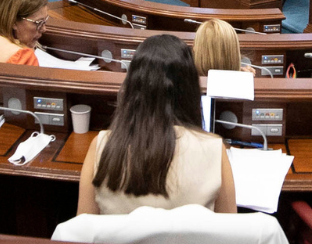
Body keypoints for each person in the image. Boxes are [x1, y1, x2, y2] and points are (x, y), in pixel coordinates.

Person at [77, 34, 237, 214]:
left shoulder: (101, 146)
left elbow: (83, 231)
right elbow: (230, 233)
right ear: (191, 90)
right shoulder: (214, 149)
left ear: (132, 87)